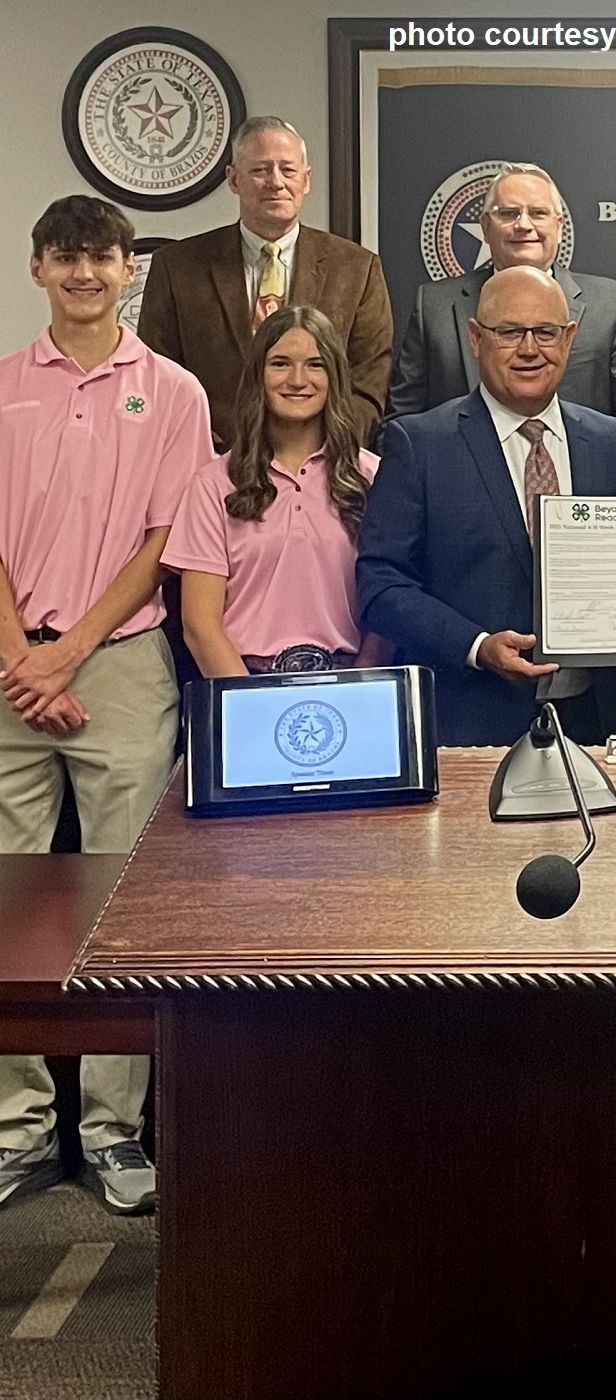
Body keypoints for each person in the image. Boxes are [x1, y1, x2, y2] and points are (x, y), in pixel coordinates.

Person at [0, 196, 213, 1214]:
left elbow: (168, 541)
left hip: (122, 663)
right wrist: (22, 655)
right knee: (9, 900)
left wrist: (73, 650)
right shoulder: (3, 386)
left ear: (130, 269)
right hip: (9, 666)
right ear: (38, 268)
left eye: (101, 257)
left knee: (123, 897)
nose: (84, 273)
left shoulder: (173, 390)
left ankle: (114, 1129)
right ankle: (19, 1126)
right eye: (65, 256)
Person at [358, 265, 616, 746]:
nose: (530, 349)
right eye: (510, 332)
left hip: (593, 725)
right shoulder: (420, 444)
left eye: (545, 332)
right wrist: (476, 646)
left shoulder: (613, 443)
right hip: (469, 727)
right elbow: (381, 586)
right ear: (476, 339)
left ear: (569, 338)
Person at [139, 116, 393, 452]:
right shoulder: (177, 267)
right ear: (233, 179)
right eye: (260, 170)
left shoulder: (357, 268)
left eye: (288, 170)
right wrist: (209, 457)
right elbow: (158, 377)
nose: (276, 182)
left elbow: (368, 383)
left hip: (323, 466)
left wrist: (321, 456)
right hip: (207, 463)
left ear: (306, 180)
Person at [161, 306, 388, 675]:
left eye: (315, 365)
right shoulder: (212, 485)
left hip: (352, 681)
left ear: (334, 377)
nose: (297, 380)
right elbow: (200, 625)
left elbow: (389, 606)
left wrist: (361, 685)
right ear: (257, 375)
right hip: (245, 679)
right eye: (280, 364)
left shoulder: (374, 478)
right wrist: (250, 700)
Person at [388, 162, 616, 447]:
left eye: (538, 213)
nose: (523, 224)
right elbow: (400, 425)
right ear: (485, 227)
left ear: (559, 226)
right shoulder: (434, 306)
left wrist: (575, 469)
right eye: (508, 213)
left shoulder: (611, 305)